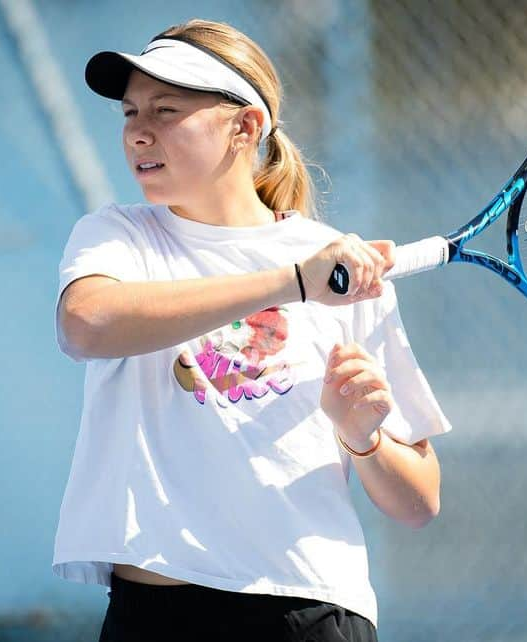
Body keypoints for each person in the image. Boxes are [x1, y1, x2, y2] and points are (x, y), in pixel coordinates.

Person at [54, 18, 452, 642]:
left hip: (309, 613)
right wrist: (289, 281)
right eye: (130, 112)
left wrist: (364, 438)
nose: (138, 131)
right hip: (154, 615)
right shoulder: (118, 237)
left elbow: (419, 501)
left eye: (166, 109)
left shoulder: (339, 264)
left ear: (245, 127)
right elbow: (86, 325)